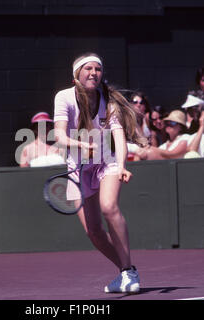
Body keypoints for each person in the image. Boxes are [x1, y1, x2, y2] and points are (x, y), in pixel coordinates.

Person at [53, 53, 145, 293]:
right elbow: (60, 135)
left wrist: (123, 165)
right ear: (76, 76)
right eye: (88, 69)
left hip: (107, 163)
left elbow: (119, 137)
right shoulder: (63, 97)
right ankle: (127, 271)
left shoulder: (109, 101)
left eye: (98, 69)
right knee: (93, 231)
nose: (94, 72)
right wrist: (81, 145)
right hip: (77, 168)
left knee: (109, 206)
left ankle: (128, 273)